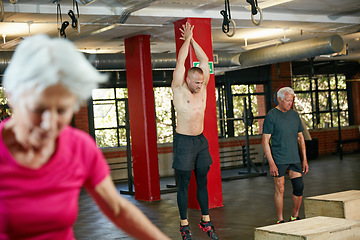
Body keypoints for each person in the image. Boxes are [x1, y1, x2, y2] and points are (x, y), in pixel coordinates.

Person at [0, 34, 170, 240]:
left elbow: (118, 210)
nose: (49, 124)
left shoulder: (80, 147)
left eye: (62, 110)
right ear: (11, 96)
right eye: (38, 109)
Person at [171, 22, 218, 240]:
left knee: (202, 180)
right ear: (187, 79)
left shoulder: (203, 86)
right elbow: (181, 61)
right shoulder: (179, 89)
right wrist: (186, 39)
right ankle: (184, 225)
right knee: (184, 184)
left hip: (200, 141)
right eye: (196, 82)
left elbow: (206, 60)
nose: (200, 86)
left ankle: (205, 221)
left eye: (202, 82)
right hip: (183, 142)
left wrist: (195, 40)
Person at [262, 87, 309, 224]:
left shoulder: (294, 115)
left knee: (299, 187)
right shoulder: (271, 116)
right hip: (279, 158)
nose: (290, 103)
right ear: (280, 99)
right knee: (280, 188)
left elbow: (301, 138)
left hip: (294, 157)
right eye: (288, 100)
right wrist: (271, 163)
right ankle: (280, 220)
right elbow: (265, 141)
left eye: (292, 101)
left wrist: (304, 159)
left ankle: (294, 216)